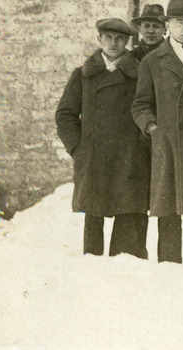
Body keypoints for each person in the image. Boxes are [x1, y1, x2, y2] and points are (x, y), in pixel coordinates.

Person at [55, 18, 149, 258]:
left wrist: (141, 148)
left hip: (129, 156)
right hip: (94, 157)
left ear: (127, 42)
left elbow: (149, 109)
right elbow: (65, 114)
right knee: (94, 220)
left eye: (120, 39)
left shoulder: (139, 75)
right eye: (109, 37)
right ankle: (92, 276)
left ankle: (124, 276)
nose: (114, 43)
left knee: (128, 219)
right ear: (99, 40)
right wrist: (78, 147)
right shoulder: (83, 75)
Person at [131, 0, 183, 263]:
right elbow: (141, 105)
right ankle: (169, 269)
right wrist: (154, 128)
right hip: (168, 143)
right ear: (168, 25)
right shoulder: (153, 61)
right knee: (168, 207)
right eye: (179, 22)